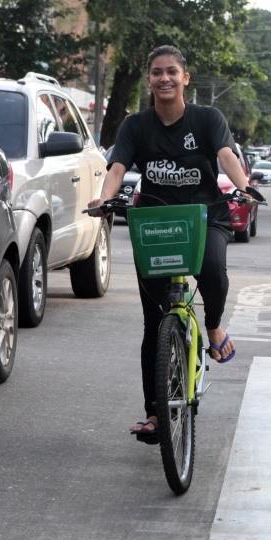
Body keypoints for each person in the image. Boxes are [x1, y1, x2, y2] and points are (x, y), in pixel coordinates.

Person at [87, 45, 260, 442]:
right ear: (149, 80)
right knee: (155, 324)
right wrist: (103, 198)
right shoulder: (135, 125)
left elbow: (226, 155)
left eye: (171, 71)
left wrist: (244, 186)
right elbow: (117, 167)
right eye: (156, 72)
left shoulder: (207, 118)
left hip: (205, 217)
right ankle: (154, 412)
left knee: (212, 270)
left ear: (185, 78)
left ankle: (213, 327)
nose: (164, 78)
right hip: (156, 225)